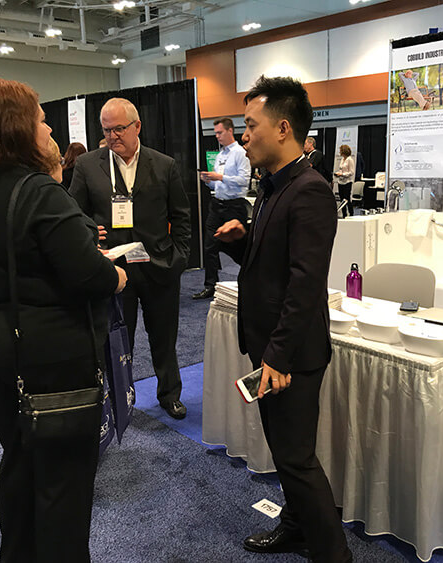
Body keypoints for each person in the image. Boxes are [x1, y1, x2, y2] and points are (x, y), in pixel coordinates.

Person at [0, 78, 127, 561]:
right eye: (41, 119)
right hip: (50, 355)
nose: (48, 128)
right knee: (65, 482)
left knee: (21, 460)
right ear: (17, 128)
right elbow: (90, 275)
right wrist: (116, 276)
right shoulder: (38, 192)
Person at [216, 75, 352, 563]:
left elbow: (305, 284)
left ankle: (334, 554)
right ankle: (295, 528)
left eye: (251, 125)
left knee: (295, 460)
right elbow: (271, 270)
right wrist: (240, 246)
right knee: (286, 454)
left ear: (283, 128)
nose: (243, 134)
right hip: (272, 348)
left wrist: (276, 354)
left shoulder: (309, 191)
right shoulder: (275, 187)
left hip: (290, 354)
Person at [69, 97, 192, 420]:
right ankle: (122, 398)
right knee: (117, 341)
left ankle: (170, 395)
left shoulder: (164, 164)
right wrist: (89, 235)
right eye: (107, 130)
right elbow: (73, 215)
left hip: (159, 266)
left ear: (137, 126)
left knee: (164, 338)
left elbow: (181, 217)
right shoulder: (88, 165)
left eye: (119, 129)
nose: (112, 136)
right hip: (113, 271)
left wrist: (178, 258)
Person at [193, 117, 251, 300]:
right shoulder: (220, 156)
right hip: (217, 204)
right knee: (210, 248)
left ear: (230, 131)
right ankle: (210, 285)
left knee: (238, 247)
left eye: (219, 132)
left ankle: (248, 282)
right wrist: (209, 181)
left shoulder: (240, 153)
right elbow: (217, 185)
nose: (216, 136)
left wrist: (220, 177)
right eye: (215, 133)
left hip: (234, 206)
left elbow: (244, 181)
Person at [333, 144, 355, 218]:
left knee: (347, 199)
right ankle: (344, 214)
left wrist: (342, 174)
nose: (339, 152)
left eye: (340, 151)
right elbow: (341, 169)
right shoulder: (342, 159)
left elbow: (351, 172)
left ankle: (351, 214)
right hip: (340, 181)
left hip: (347, 182)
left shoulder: (350, 159)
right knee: (342, 199)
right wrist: (338, 173)